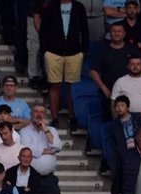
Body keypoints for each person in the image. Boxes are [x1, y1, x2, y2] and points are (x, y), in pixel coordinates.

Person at [39, 0, 89, 130]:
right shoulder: (51, 6)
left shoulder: (79, 7)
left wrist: (84, 50)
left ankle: (73, 118)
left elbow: (84, 29)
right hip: (53, 52)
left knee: (71, 87)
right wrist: (45, 50)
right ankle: (55, 119)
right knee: (54, 85)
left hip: (74, 53)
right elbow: (43, 30)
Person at [110, 55, 141, 128]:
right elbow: (113, 104)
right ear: (128, 66)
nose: (135, 66)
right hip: (124, 122)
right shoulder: (120, 82)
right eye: (132, 64)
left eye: (138, 64)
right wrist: (117, 122)